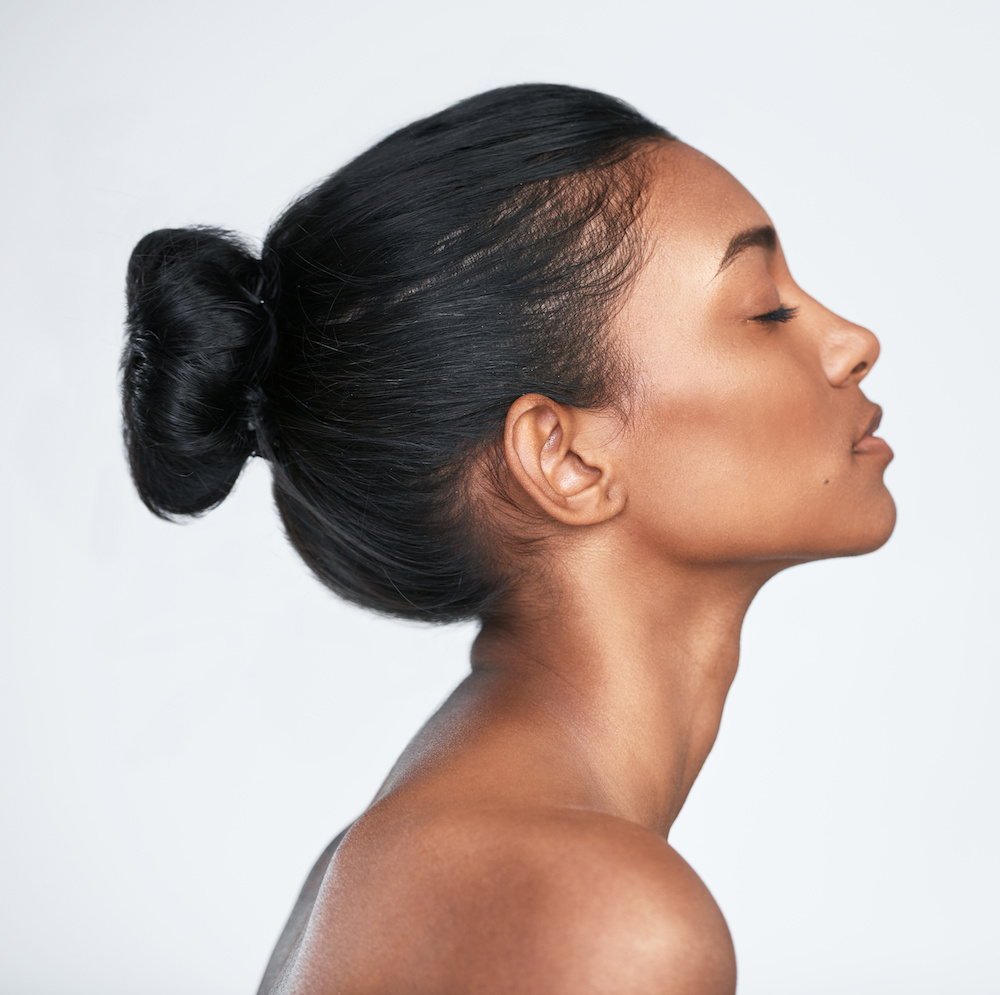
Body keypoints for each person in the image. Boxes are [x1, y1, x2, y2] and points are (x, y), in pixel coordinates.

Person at [121, 83, 895, 994]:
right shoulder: (595, 914)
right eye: (767, 311)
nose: (853, 342)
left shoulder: (427, 861)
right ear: (564, 458)